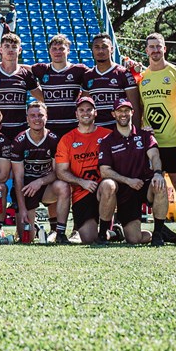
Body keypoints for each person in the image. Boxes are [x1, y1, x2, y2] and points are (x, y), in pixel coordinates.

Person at [137, 32, 176, 243]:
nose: (155, 50)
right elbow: (139, 109)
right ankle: (160, 227)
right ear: (146, 50)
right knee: (150, 187)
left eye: (159, 46)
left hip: (173, 141)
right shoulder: (142, 78)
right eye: (151, 47)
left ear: (165, 48)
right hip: (151, 144)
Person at [98, 99, 169, 245]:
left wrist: (157, 172)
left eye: (126, 110)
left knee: (160, 183)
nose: (123, 114)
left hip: (145, 184)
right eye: (119, 111)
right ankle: (104, 234)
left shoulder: (145, 135)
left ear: (132, 112)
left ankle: (158, 233)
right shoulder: (107, 141)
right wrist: (128, 181)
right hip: (124, 190)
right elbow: (105, 171)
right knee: (134, 239)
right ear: (114, 114)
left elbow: (154, 155)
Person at [11, 102, 71, 244]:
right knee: (27, 239)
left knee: (63, 185)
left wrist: (40, 181)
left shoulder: (54, 139)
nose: (36, 119)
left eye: (40, 115)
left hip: (45, 187)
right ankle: (33, 227)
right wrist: (23, 209)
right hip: (26, 190)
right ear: (27, 119)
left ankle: (60, 232)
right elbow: (18, 179)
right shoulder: (19, 141)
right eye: (32, 116)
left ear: (46, 117)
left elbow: (58, 172)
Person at [54, 96, 112, 244]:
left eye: (89, 109)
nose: (85, 113)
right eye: (81, 110)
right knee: (88, 238)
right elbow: (61, 171)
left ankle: (105, 231)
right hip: (82, 192)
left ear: (95, 112)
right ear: (76, 114)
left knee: (108, 185)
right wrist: (82, 182)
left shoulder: (107, 135)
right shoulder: (67, 139)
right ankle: (114, 233)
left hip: (102, 189)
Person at [0, 33, 43, 140]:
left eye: (14, 47)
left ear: (20, 50)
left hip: (20, 131)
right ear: (0, 49)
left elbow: (44, 98)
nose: (10, 50)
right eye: (7, 46)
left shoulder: (26, 74)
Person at [82, 33, 140, 129]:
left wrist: (136, 133)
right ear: (92, 50)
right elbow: (85, 106)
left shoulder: (123, 73)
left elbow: (135, 107)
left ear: (112, 49)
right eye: (97, 47)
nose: (100, 50)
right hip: (96, 131)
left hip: (119, 131)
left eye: (104, 47)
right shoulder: (88, 75)